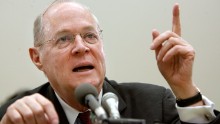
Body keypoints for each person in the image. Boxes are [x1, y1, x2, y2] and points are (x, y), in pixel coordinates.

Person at [0, 0, 219, 124]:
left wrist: (185, 89)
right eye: (64, 39)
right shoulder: (19, 116)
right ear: (37, 58)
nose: (81, 47)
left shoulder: (155, 105)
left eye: (90, 36)